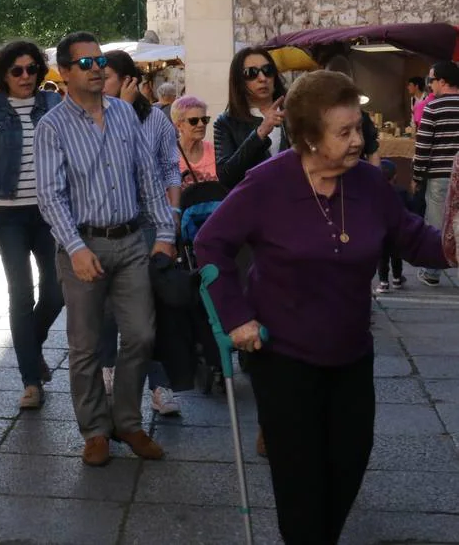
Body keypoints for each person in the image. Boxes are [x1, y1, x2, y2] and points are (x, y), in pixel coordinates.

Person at [195, 71, 456, 545]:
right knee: (300, 482)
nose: (359, 139)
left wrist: (453, 247)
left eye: (359, 128)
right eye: (345, 131)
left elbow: (412, 237)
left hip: (351, 353)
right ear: (310, 138)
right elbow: (211, 243)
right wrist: (235, 317)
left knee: (350, 462)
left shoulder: (370, 185)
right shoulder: (266, 185)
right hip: (283, 357)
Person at [36, 31, 175, 467]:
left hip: (132, 240)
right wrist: (75, 248)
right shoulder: (51, 126)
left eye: (99, 62)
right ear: (65, 72)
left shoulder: (123, 113)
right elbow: (49, 196)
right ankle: (95, 430)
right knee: (85, 345)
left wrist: (166, 233)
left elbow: (148, 176)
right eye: (86, 64)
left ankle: (128, 421)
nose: (96, 69)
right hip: (83, 245)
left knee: (141, 335)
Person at [0, 40, 63, 411]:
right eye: (17, 70)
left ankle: (30, 351)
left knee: (57, 292)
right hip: (7, 212)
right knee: (21, 294)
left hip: (51, 212)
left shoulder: (54, 104)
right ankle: (30, 381)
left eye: (32, 69)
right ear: (3, 74)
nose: (25, 76)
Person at [96, 50, 183, 418]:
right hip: (105, 223)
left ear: (130, 81)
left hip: (147, 223)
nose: (101, 82)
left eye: (109, 76)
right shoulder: (92, 119)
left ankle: (159, 385)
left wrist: (173, 218)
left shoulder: (158, 123)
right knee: (107, 308)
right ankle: (108, 372)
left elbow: (169, 170)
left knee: (150, 305)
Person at [213, 46, 288, 190]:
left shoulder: (293, 111)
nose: (262, 78)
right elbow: (226, 177)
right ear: (239, 81)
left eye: (268, 70)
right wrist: (260, 133)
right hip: (253, 205)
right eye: (251, 73)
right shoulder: (226, 123)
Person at [412, 60, 459, 286]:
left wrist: (417, 176)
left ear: (443, 81)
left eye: (431, 80)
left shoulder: (433, 107)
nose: (429, 85)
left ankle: (432, 272)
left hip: (440, 175)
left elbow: (423, 147)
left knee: (436, 223)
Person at [375, 159, 412, 292]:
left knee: (382, 258)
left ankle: (383, 281)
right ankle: (397, 278)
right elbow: (411, 207)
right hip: (397, 230)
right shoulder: (401, 191)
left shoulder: (374, 192)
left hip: (380, 231)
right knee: (397, 256)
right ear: (395, 176)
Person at [173, 94, 218, 185]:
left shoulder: (215, 151)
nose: (201, 124)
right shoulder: (168, 156)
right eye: (193, 121)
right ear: (179, 125)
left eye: (204, 119)